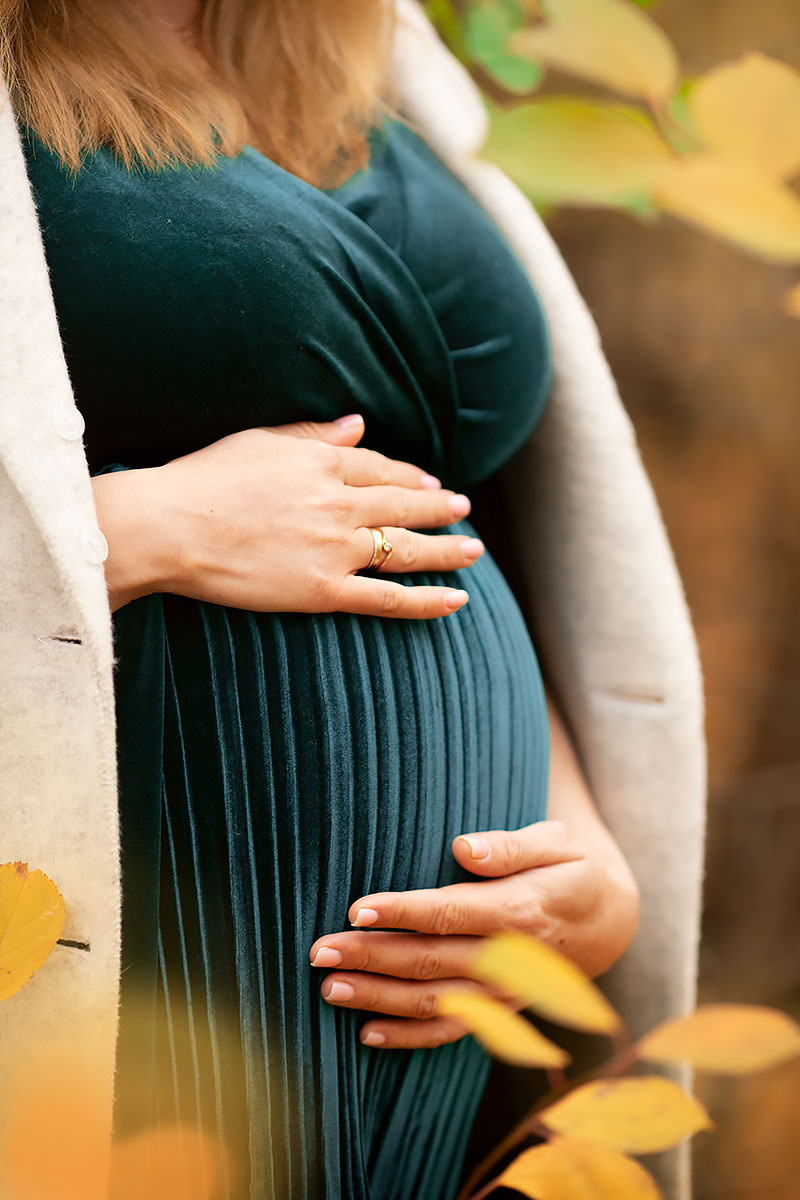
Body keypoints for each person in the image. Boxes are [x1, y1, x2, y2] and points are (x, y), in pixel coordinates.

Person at [0, 2, 706, 1198]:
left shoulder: (363, 44)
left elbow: (469, 512)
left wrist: (581, 853)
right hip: (143, 957)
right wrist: (138, 530)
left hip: (450, 1029)